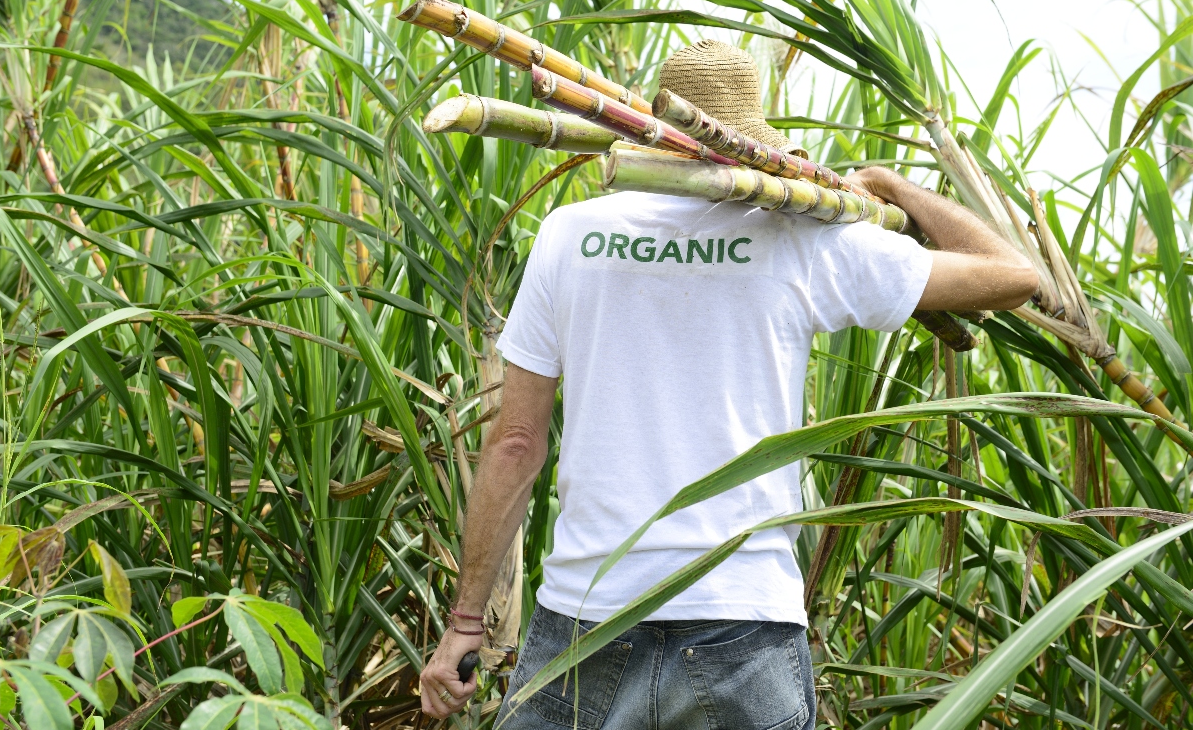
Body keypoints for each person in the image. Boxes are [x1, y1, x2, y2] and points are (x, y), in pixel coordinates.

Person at [419, 40, 1038, 729]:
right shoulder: (804, 238)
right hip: (743, 624)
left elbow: (514, 443)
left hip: (586, 619)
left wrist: (466, 622)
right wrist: (891, 188)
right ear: (751, 139)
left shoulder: (571, 235)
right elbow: (1014, 274)